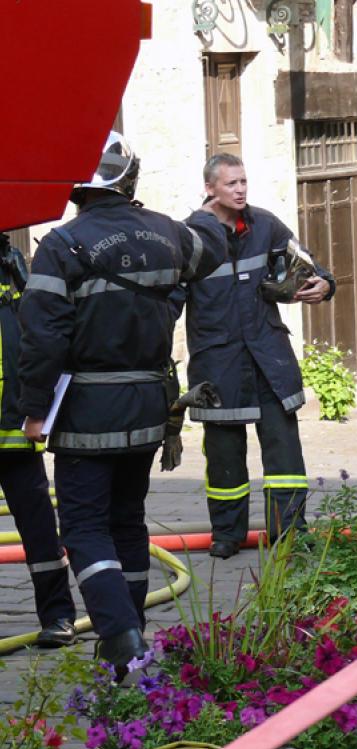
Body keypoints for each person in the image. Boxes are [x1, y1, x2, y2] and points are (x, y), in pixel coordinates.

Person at [17, 131, 227, 674]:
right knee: (128, 521)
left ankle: (120, 635)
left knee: (85, 527)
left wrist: (34, 409)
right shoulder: (168, 235)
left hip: (87, 409)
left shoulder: (61, 246)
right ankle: (129, 643)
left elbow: (43, 337)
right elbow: (213, 248)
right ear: (128, 177)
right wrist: (203, 211)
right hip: (148, 408)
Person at [182, 153, 335, 559]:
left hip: (268, 357)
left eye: (244, 181)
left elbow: (310, 265)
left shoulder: (265, 225)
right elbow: (167, 302)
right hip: (218, 362)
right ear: (210, 188)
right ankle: (227, 535)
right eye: (231, 183)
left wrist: (323, 283)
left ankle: (290, 530)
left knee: (284, 448)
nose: (240, 189)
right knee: (223, 453)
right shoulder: (190, 238)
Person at [0, 233, 76, 648]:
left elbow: (37, 342)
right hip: (17, 420)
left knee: (41, 532)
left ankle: (59, 617)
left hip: (14, 428)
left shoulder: (15, 269)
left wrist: (37, 409)